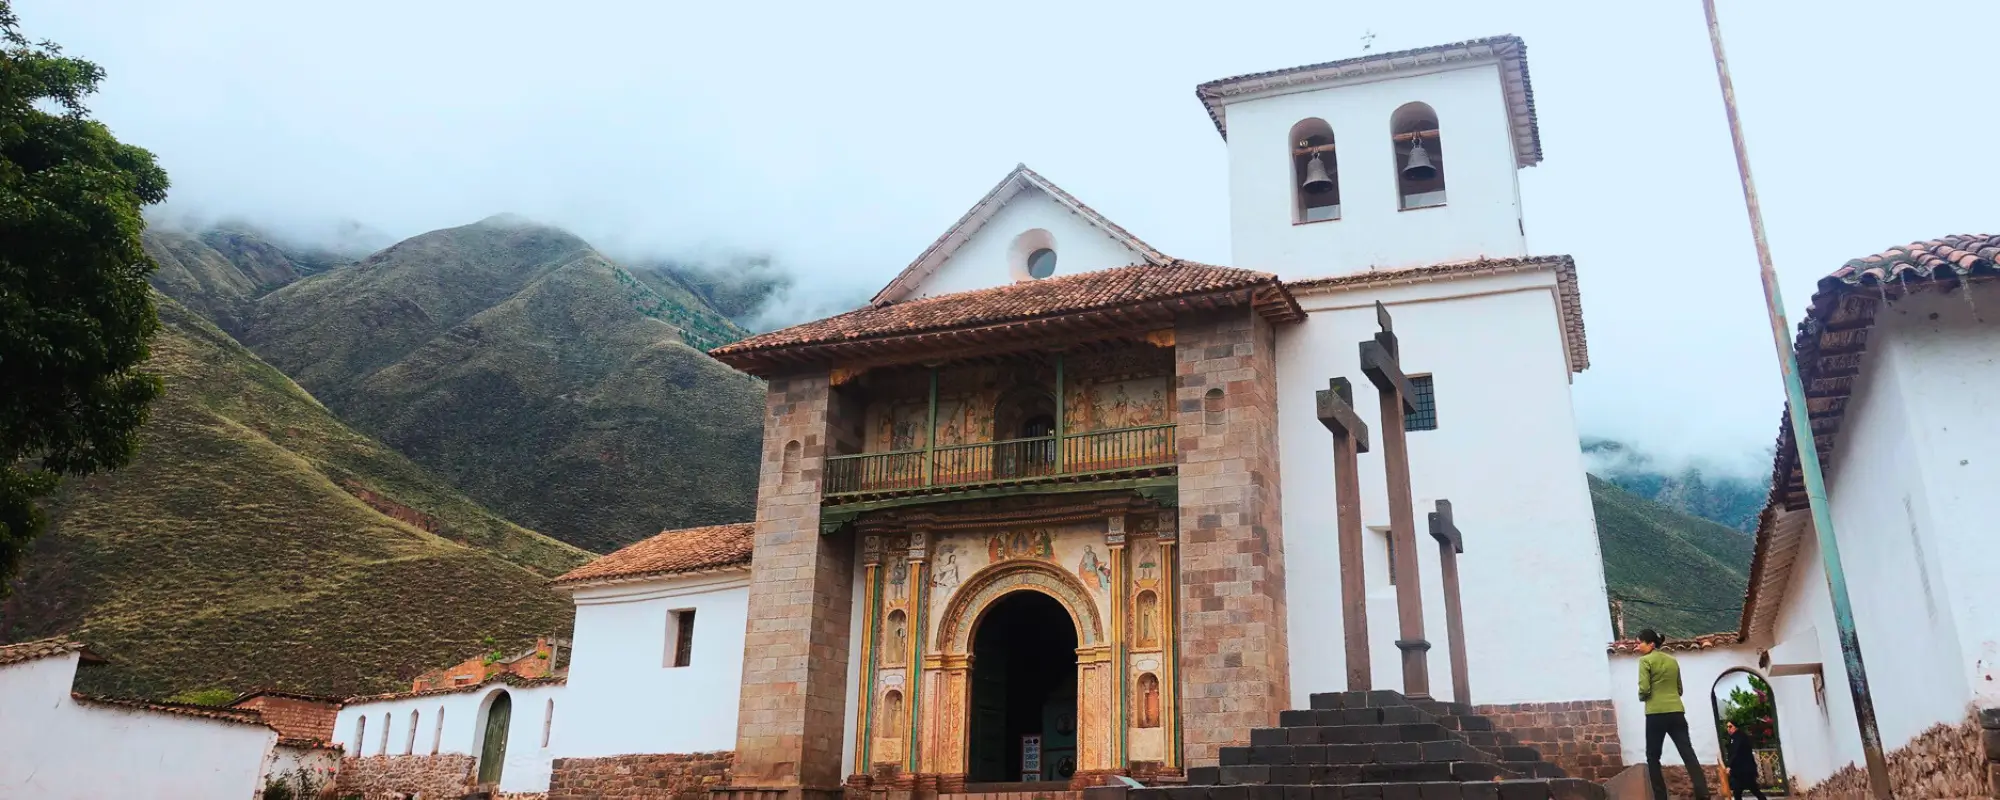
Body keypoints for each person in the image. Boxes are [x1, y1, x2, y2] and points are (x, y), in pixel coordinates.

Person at [1637, 628, 1710, 800]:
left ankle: (1661, 797)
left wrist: (1642, 696)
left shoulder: (1645, 661)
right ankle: (1703, 793)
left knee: (1653, 757)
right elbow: (1680, 689)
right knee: (1687, 752)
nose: (1638, 646)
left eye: (1640, 642)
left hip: (1655, 713)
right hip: (1677, 712)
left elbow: (1644, 689)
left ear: (1651, 644)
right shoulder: (1673, 661)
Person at [1724, 721, 1768, 800]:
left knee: (1753, 789)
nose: (1728, 729)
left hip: (1745, 770)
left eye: (1730, 726)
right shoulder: (1733, 738)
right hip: (1739, 770)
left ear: (1736, 727)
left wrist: (1729, 765)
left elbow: (1736, 752)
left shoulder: (1740, 737)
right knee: (1737, 791)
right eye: (1727, 727)